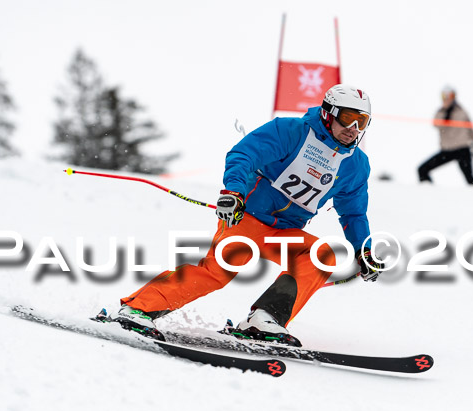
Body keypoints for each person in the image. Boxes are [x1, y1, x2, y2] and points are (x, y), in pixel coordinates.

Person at [110, 84, 384, 347]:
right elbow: (245, 154)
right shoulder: (291, 131)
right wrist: (234, 192)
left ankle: (265, 320)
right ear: (328, 112)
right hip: (248, 217)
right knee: (218, 271)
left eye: (362, 121)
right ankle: (138, 309)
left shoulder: (356, 165)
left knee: (322, 254)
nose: (354, 129)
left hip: (285, 230)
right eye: (348, 118)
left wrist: (364, 251)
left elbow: (354, 212)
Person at [418, 86, 473, 185]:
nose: (447, 98)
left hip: (462, 149)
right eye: (444, 96)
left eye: (449, 96)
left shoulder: (461, 111)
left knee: (470, 179)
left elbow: (471, 129)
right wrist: (445, 112)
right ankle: (429, 194)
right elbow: (436, 124)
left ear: (454, 96)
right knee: (422, 170)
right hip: (447, 150)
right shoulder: (440, 112)